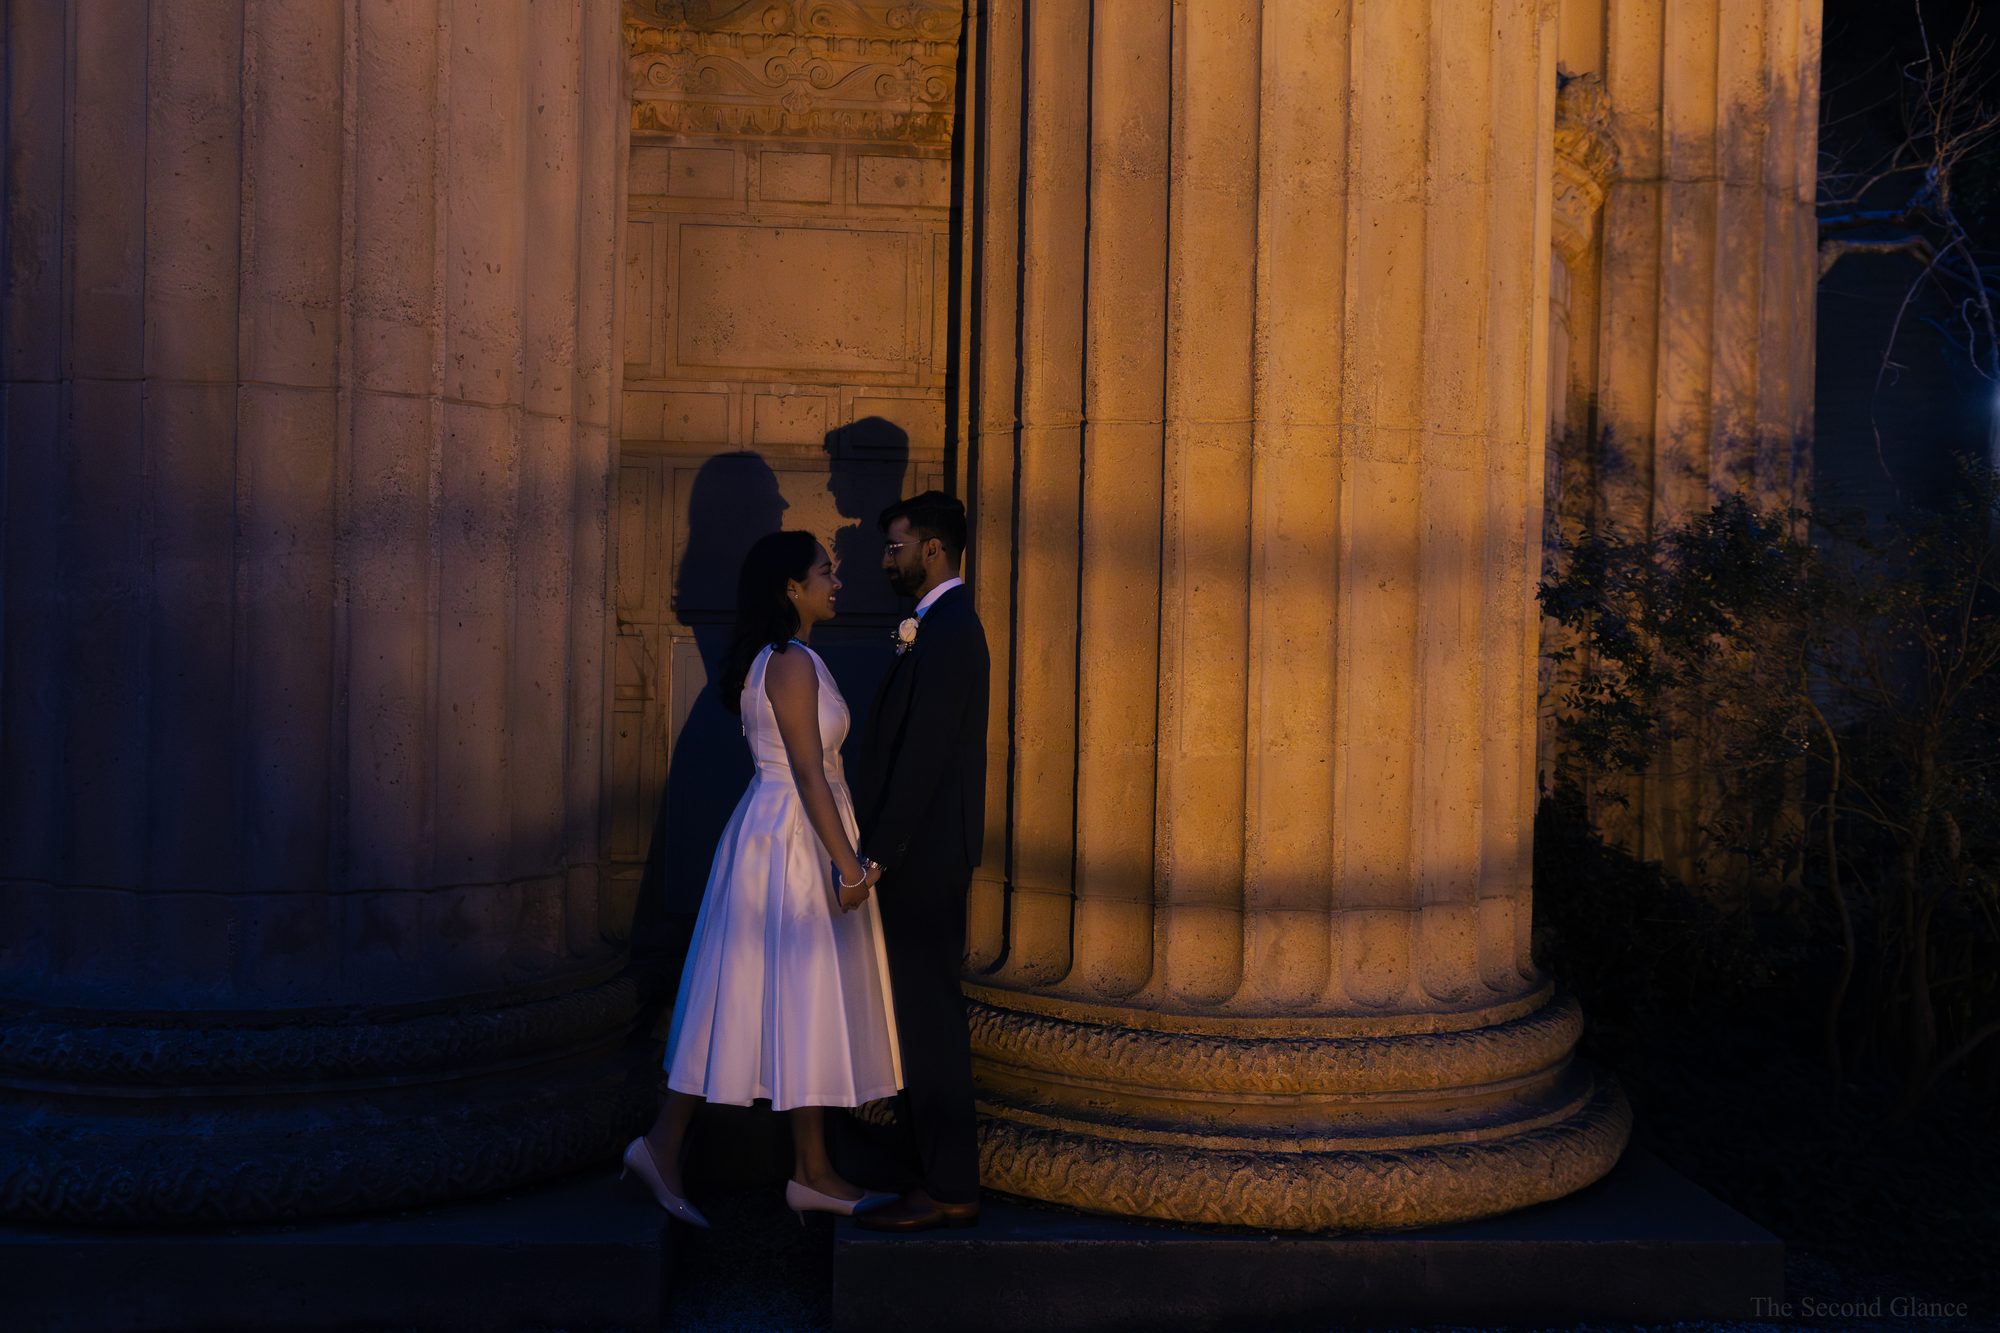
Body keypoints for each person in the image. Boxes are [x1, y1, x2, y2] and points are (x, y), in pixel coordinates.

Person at [622, 531, 902, 1226]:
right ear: (791, 588)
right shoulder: (791, 662)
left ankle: (810, 1170)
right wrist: (849, 866)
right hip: (792, 840)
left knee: (777, 994)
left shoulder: (778, 659)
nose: (836, 581)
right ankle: (669, 1144)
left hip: (779, 833)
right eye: (824, 571)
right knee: (753, 990)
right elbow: (809, 772)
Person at [848, 491, 991, 1233]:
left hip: (924, 862)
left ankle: (948, 1185)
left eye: (896, 545)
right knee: (916, 1018)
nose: (885, 559)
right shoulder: (934, 628)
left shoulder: (951, 631)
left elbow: (925, 757)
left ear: (933, 548)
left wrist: (878, 855)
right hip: (920, 858)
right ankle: (924, 1169)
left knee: (930, 1021)